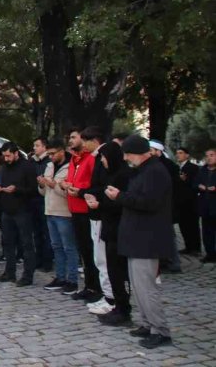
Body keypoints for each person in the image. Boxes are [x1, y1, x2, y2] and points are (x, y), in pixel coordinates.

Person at [107, 135, 173, 349]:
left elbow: (149, 203)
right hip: (136, 237)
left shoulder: (155, 172)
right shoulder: (143, 171)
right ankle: (147, 324)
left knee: (146, 288)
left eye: (128, 154)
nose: (125, 158)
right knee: (138, 286)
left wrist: (119, 197)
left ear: (140, 153)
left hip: (148, 239)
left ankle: (160, 330)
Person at [85, 142, 133, 326]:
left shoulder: (124, 175)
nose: (102, 161)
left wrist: (101, 204)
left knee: (118, 271)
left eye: (104, 157)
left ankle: (122, 307)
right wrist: (91, 196)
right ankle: (118, 306)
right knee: (112, 269)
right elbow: (102, 192)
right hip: (109, 226)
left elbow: (123, 202)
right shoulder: (110, 173)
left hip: (119, 229)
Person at [73, 127, 113, 312]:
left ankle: (108, 296)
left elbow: (103, 185)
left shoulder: (101, 157)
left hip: (99, 212)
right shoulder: (95, 157)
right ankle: (101, 292)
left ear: (94, 140)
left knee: (102, 259)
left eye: (84, 141)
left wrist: (83, 192)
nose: (83, 145)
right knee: (96, 257)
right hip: (92, 210)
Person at [63, 128, 102, 302]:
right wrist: (66, 184)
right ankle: (89, 285)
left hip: (87, 210)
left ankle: (98, 288)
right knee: (84, 251)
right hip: (74, 209)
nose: (71, 140)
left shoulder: (91, 159)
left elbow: (95, 184)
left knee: (92, 251)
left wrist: (79, 191)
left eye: (74, 137)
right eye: (70, 137)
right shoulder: (74, 159)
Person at [0, 142, 37, 285]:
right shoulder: (5, 167)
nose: (6, 159)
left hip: (23, 211)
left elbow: (33, 190)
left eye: (8, 156)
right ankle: (9, 272)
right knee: (8, 243)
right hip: (7, 210)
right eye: (4, 156)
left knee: (26, 244)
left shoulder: (27, 167)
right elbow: (3, 186)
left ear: (16, 153)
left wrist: (17, 189)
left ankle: (28, 275)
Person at [39, 139, 78, 294]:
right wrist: (41, 184)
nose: (51, 157)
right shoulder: (49, 166)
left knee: (69, 247)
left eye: (53, 153)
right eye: (49, 154)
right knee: (56, 246)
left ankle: (72, 280)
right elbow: (43, 192)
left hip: (64, 212)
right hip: (49, 210)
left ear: (62, 151)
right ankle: (60, 277)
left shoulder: (71, 167)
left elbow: (68, 192)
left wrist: (54, 185)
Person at [149, 140, 183, 273]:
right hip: (160, 207)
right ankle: (164, 261)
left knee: (168, 236)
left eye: (151, 150)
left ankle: (174, 263)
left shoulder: (167, 166)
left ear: (158, 151)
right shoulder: (156, 164)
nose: (149, 153)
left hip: (166, 207)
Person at [29, 137, 54, 271]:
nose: (35, 148)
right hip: (33, 199)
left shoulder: (49, 162)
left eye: (37, 145)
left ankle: (47, 261)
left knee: (46, 232)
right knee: (36, 232)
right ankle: (38, 259)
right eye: (34, 145)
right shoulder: (32, 161)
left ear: (44, 147)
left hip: (44, 200)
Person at [174, 146, 201, 255]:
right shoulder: (177, 167)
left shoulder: (193, 167)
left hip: (190, 202)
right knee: (183, 225)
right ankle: (188, 246)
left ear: (187, 155)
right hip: (180, 202)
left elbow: (195, 183)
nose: (178, 155)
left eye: (180, 153)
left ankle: (196, 248)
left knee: (192, 225)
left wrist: (184, 180)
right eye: (177, 153)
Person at [197, 148, 216, 263]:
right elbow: (195, 183)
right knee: (207, 232)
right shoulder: (202, 170)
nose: (209, 158)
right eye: (207, 155)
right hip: (205, 207)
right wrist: (199, 186)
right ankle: (210, 254)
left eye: (212, 155)